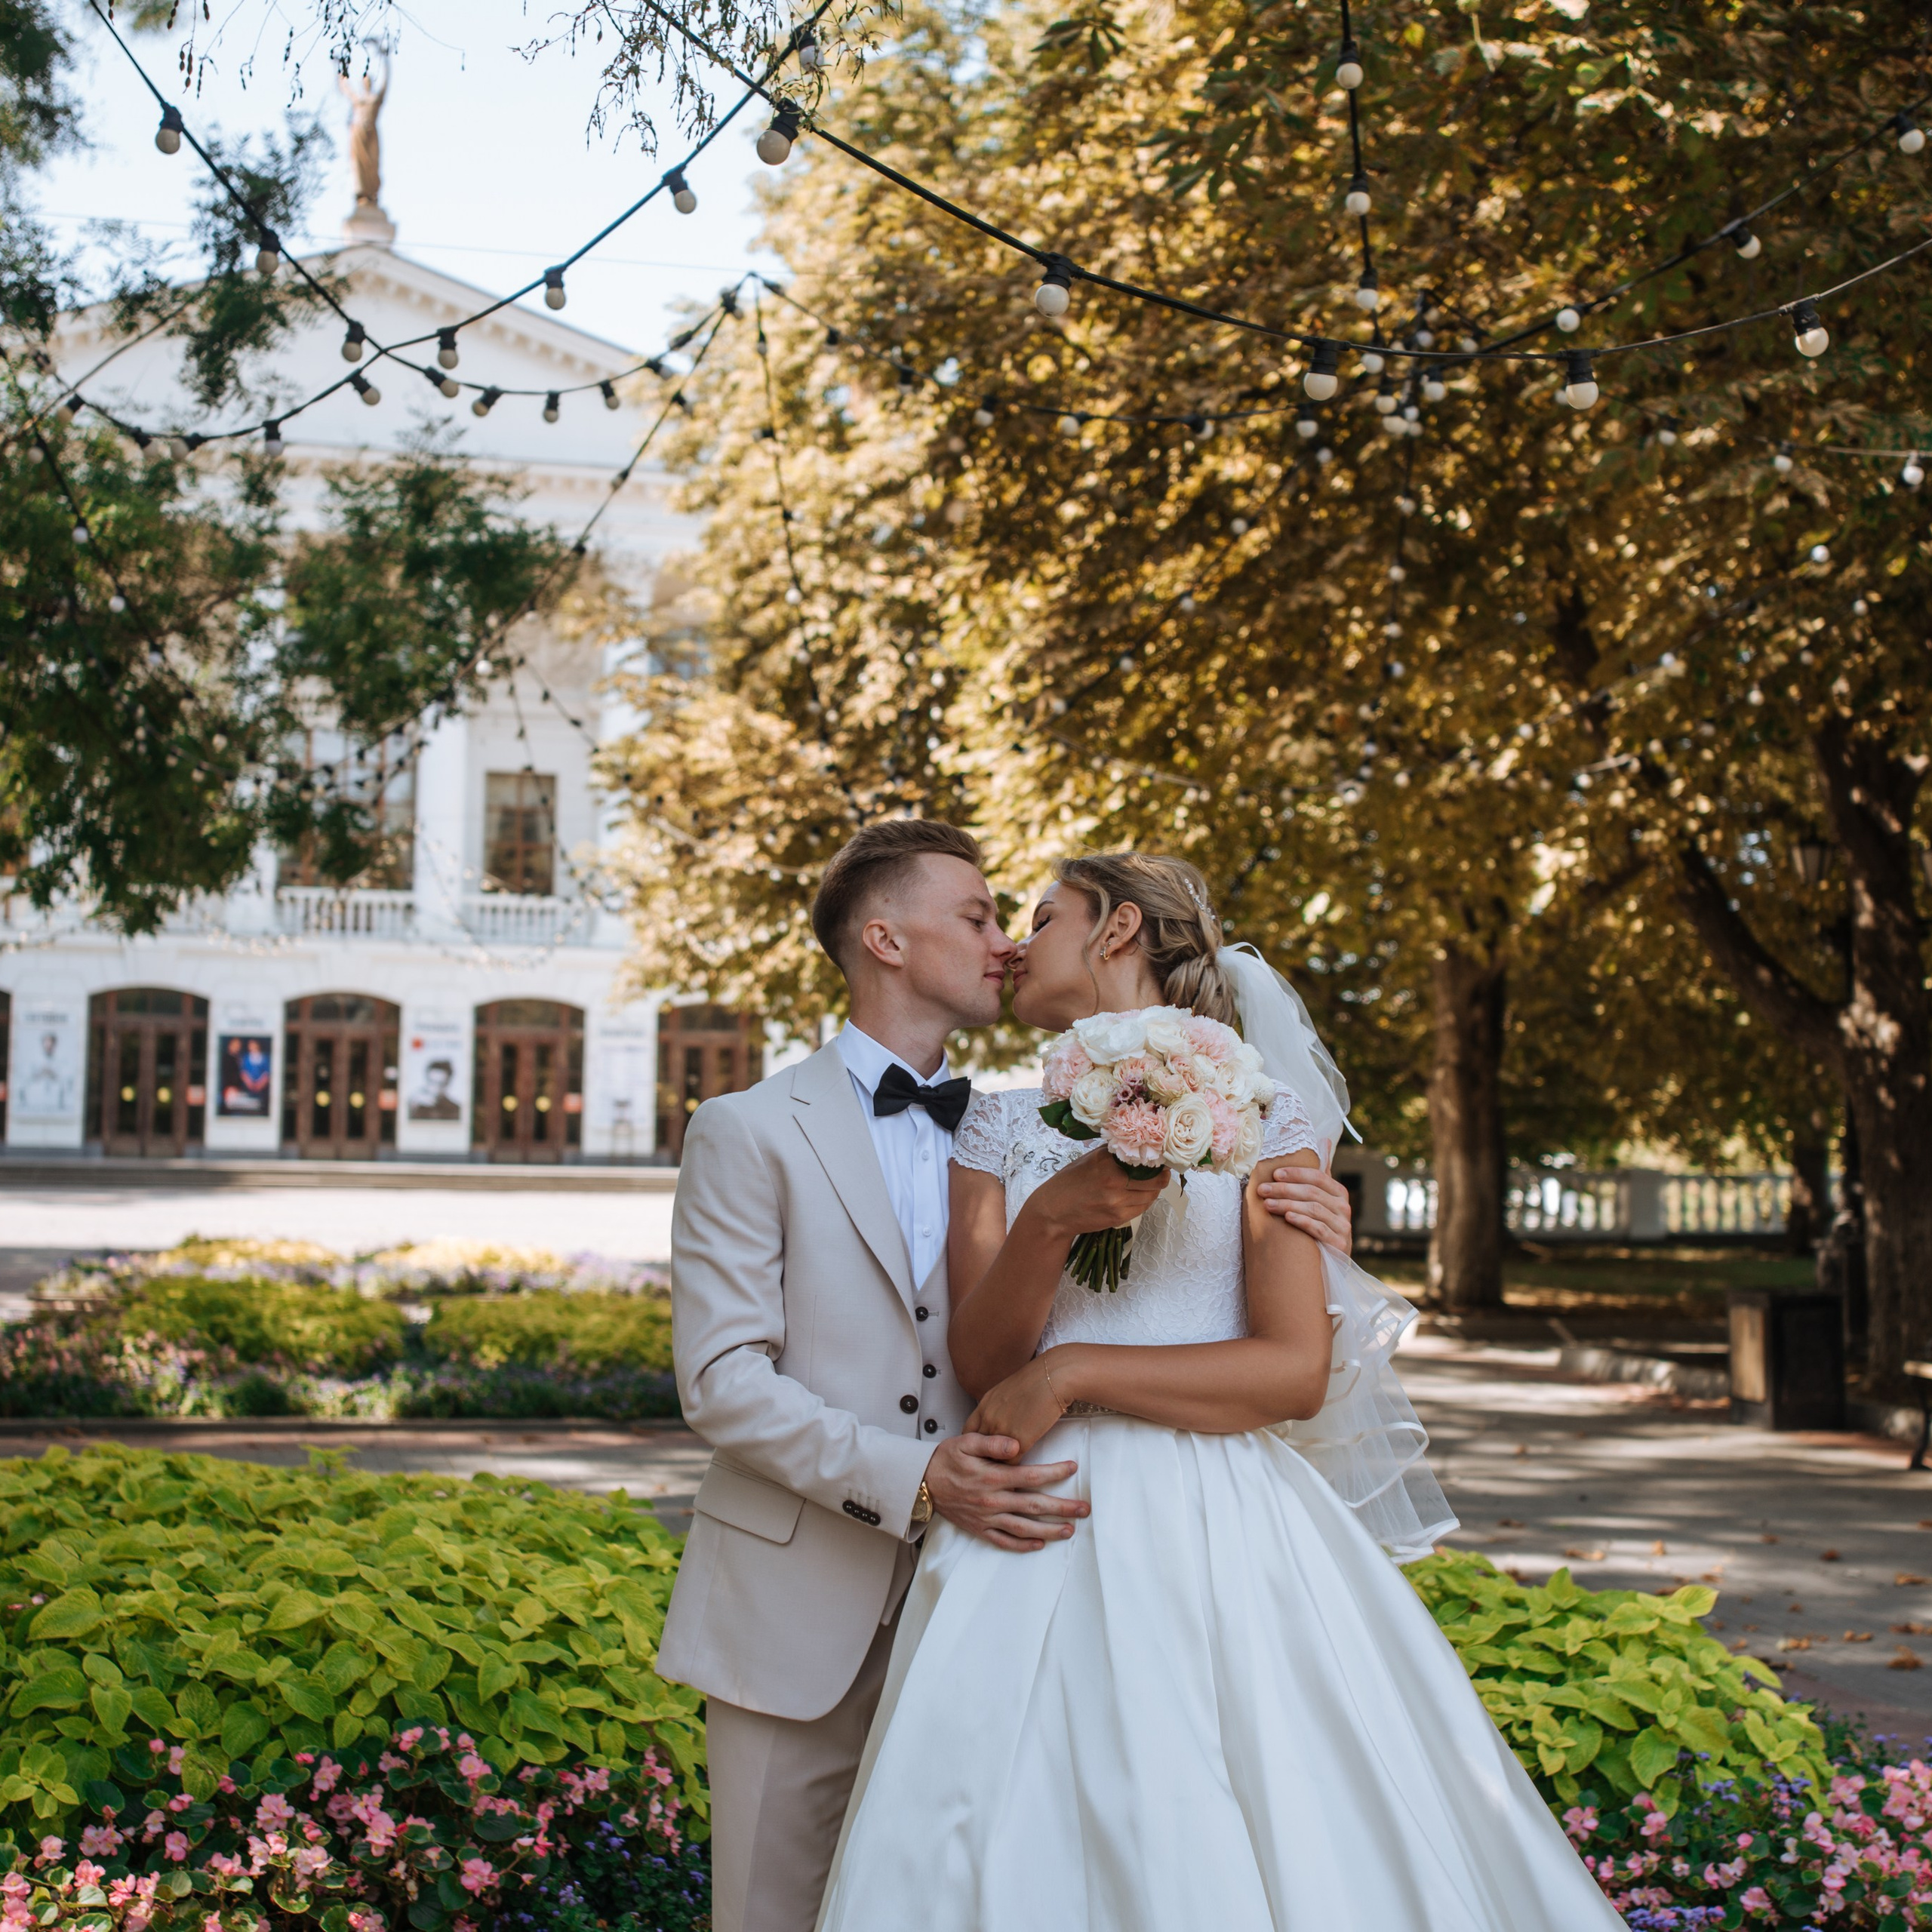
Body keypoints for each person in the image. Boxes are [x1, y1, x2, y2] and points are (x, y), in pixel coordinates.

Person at [814, 851, 1625, 1932]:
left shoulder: (1268, 1117)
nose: (1016, 942)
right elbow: (982, 1367)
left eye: (1045, 916)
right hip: (1034, 1519)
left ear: (1116, 932)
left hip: (1218, 1523)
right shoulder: (994, 1126)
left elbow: (1291, 1371)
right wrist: (1054, 1218)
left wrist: (1078, 1368)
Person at [657, 822, 1355, 1932]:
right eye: (981, 918)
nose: (1004, 944)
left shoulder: (1049, 1111)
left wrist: (1308, 1223)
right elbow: (725, 1382)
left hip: (1036, 1576)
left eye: (1015, 918)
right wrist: (923, 1480)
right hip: (814, 1597)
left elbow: (1256, 1324)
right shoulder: (750, 1129)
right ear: (884, 939)